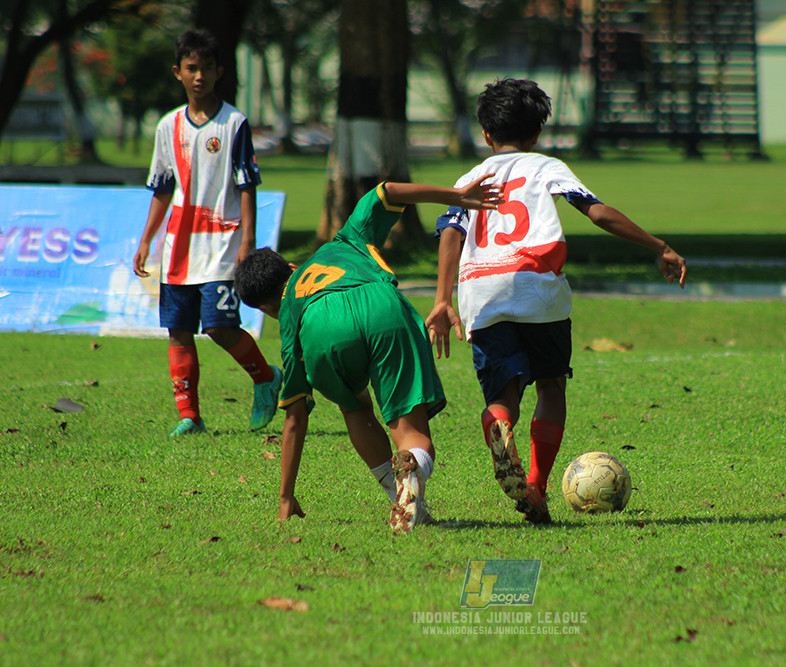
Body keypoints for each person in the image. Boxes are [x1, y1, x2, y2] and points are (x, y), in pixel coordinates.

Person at [426, 78, 687, 525]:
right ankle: (536, 485)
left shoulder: (469, 178)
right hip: (539, 289)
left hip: (482, 292)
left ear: (486, 134)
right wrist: (658, 245)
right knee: (550, 385)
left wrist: (441, 299)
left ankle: (498, 422)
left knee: (503, 394)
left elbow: (452, 229)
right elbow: (597, 211)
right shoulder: (547, 167)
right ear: (537, 133)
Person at [233, 179, 501, 535]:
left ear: (266, 307)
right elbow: (386, 191)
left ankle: (400, 492)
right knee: (411, 432)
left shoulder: (288, 313)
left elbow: (295, 418)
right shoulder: (345, 241)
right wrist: (454, 196)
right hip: (382, 308)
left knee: (355, 408)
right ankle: (413, 472)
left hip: (319, 325)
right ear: (292, 265)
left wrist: (286, 497)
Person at [133, 29, 282, 437]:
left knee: (218, 327)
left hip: (222, 242)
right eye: (191, 68)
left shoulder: (234, 123)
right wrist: (147, 239)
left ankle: (266, 377)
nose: (199, 76)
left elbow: (247, 185)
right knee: (178, 330)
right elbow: (163, 188)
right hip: (179, 246)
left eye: (206, 68)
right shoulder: (168, 127)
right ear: (177, 72)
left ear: (220, 71)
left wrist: (247, 244)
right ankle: (189, 416)